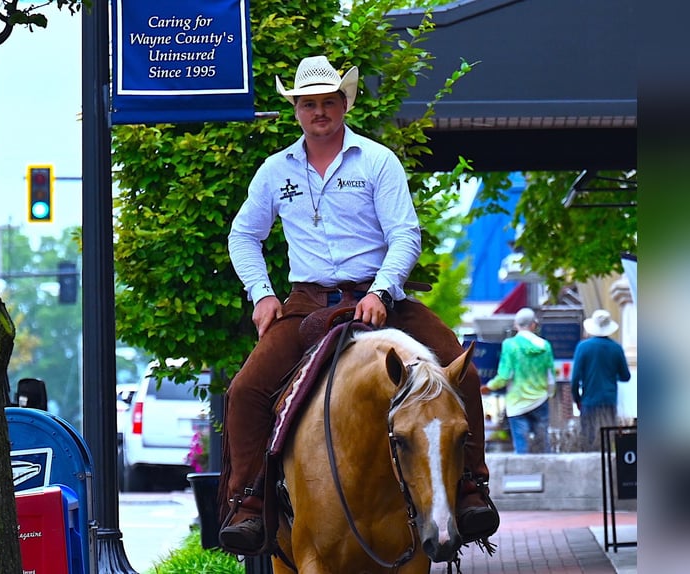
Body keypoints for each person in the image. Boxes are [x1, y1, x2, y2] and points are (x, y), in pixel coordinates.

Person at [218, 55, 499, 554]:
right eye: (309, 103)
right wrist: (262, 295)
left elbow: (405, 235)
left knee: (464, 374)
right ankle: (250, 503)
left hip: (383, 297)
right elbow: (244, 236)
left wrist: (381, 291)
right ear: (297, 110)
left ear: (344, 104)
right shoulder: (274, 171)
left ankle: (471, 489)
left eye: (328, 101)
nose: (319, 111)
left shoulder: (377, 160)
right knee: (244, 391)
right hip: (306, 304)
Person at [481, 308, 555, 454]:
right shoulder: (545, 345)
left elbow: (504, 376)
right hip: (540, 399)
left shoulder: (510, 345)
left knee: (522, 447)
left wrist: (488, 387)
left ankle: (524, 475)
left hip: (517, 402)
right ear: (534, 325)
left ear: (516, 325)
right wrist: (550, 394)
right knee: (543, 444)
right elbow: (550, 377)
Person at [570, 309, 631, 450]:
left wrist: (577, 399)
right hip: (609, 400)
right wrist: (611, 374)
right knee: (608, 441)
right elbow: (625, 376)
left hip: (589, 401)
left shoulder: (583, 347)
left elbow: (575, 379)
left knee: (589, 440)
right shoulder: (616, 348)